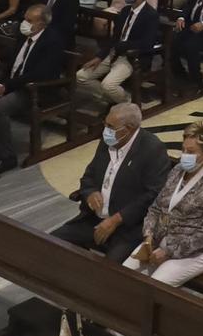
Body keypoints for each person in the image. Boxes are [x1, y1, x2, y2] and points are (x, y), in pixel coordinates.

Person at [51, 101, 171, 261]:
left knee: (108, 272)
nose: (105, 130)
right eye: (105, 124)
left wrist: (117, 219)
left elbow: (153, 195)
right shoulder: (108, 141)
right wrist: (90, 193)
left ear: (128, 129)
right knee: (50, 242)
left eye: (110, 126)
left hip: (127, 228)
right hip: (93, 219)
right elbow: (89, 176)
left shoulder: (152, 149)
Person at [123, 121, 203, 286]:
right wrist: (148, 236)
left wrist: (169, 251)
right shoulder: (177, 171)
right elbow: (156, 207)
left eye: (191, 151)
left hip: (202, 249)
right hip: (164, 238)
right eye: (183, 150)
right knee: (125, 273)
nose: (184, 156)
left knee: (156, 285)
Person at [0, 2, 65, 170]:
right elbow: (11, 65)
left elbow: (39, 74)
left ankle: (7, 156)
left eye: (30, 20)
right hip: (13, 83)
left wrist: (6, 87)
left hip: (34, 89)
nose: (24, 23)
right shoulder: (23, 36)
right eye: (25, 19)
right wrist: (0, 83)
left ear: (42, 23)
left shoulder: (53, 41)